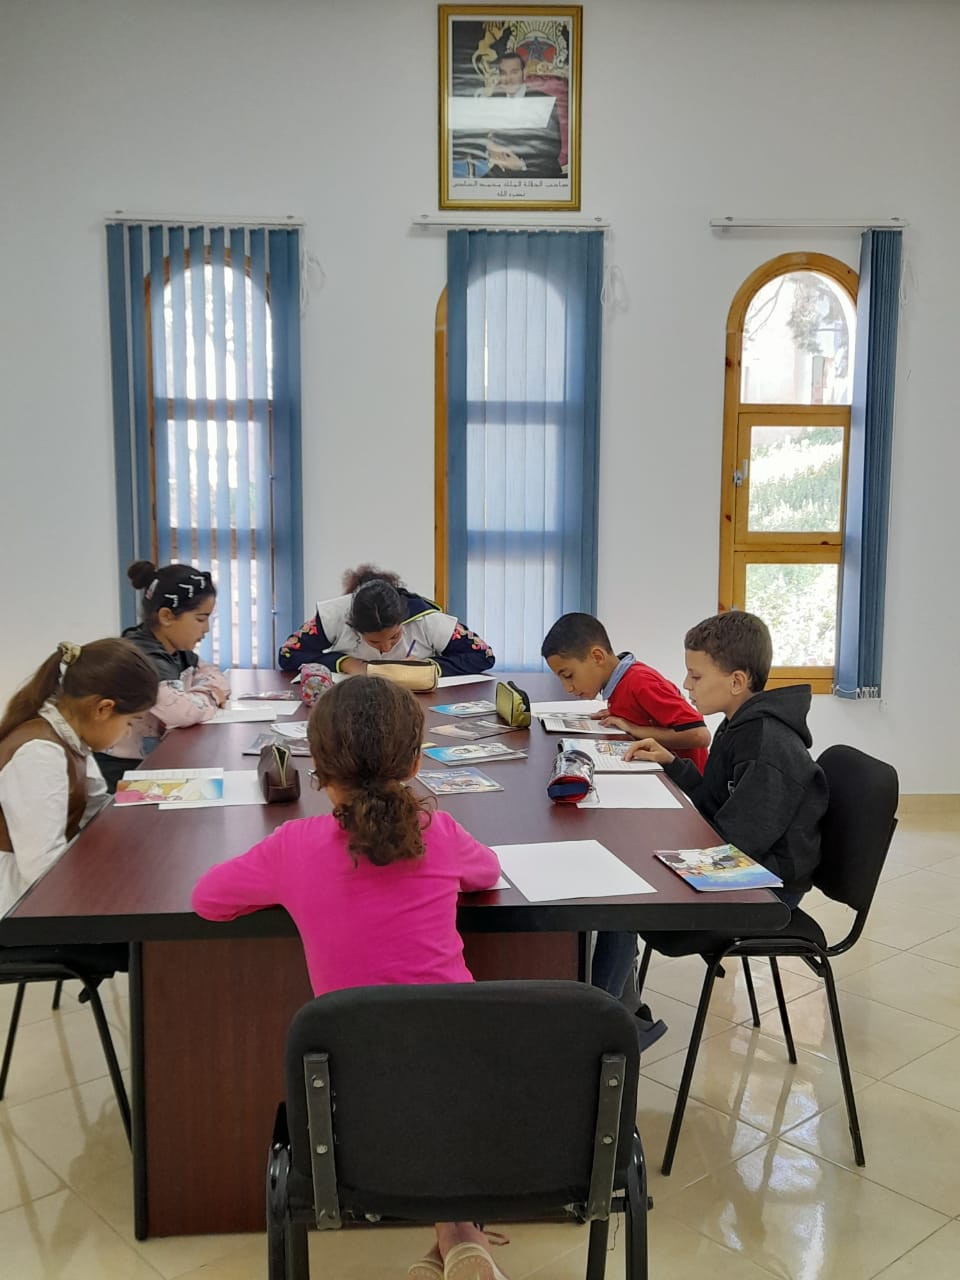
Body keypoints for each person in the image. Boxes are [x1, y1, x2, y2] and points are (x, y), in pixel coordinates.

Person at [191, 676, 508, 1280]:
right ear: (415, 763)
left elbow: (207, 899)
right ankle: (459, 1232)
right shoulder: (437, 832)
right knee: (432, 1083)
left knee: (403, 1082)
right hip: (464, 1067)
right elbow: (488, 873)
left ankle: (453, 1237)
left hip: (349, 1090)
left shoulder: (294, 846)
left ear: (317, 767)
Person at [626, 611, 828, 1004]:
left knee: (629, 897)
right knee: (631, 879)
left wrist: (665, 853)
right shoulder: (739, 724)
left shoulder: (767, 744)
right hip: (746, 866)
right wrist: (673, 763)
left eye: (696, 676)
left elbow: (739, 846)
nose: (686, 685)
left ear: (737, 681)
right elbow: (716, 800)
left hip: (766, 891)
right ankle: (621, 1006)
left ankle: (618, 1014)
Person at [541, 612, 711, 1049]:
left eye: (569, 675)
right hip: (660, 793)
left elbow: (698, 734)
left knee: (621, 892)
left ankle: (603, 1016)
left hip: (686, 804)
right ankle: (617, 998)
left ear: (597, 656)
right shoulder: (621, 684)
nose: (568, 688)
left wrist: (635, 728)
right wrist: (619, 718)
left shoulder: (639, 681)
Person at [0, 639, 159, 918]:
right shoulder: (41, 754)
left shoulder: (70, 735)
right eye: (129, 722)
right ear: (104, 709)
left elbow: (95, 806)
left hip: (45, 885)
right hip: (17, 902)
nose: (126, 733)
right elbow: (40, 867)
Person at [95, 561, 230, 790]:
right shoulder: (142, 657)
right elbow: (180, 712)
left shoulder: (177, 651)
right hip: (122, 773)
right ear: (167, 616)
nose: (206, 629)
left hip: (153, 761)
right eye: (200, 619)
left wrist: (198, 695)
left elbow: (215, 676)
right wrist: (212, 696)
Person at [278, 565, 495, 678]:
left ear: (403, 619)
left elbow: (483, 655)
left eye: (394, 637)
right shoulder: (336, 615)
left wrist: (429, 667)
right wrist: (344, 663)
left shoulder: (426, 620)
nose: (386, 648)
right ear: (354, 627)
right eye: (374, 642)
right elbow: (289, 654)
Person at [484, 51, 563, 179]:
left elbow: (553, 148)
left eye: (514, 72)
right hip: (502, 171)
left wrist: (522, 165)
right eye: (503, 73)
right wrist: (489, 147)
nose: (508, 79)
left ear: (524, 73)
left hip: (538, 171)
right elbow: (481, 135)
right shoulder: (494, 99)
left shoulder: (543, 101)